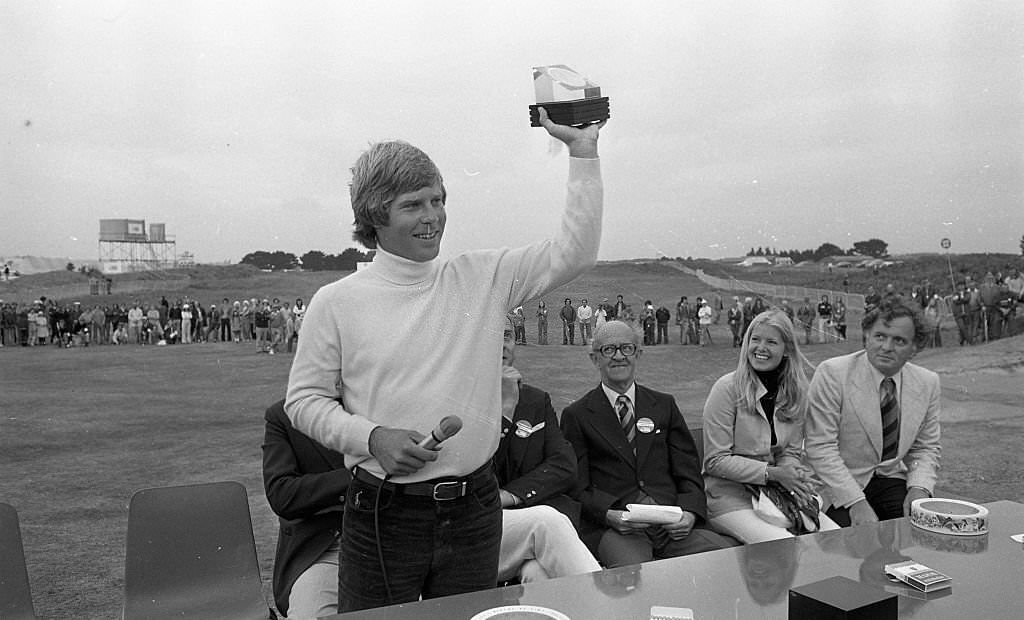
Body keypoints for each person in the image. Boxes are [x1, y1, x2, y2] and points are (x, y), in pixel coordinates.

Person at [284, 110, 605, 612]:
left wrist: (583, 152)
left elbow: (576, 252)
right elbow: (302, 402)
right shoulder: (336, 301)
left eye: (438, 200)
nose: (432, 215)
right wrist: (372, 438)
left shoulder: (483, 276)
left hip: (476, 504)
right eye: (413, 204)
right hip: (381, 511)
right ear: (374, 217)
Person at [560, 321, 731, 568]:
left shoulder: (664, 405)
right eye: (608, 350)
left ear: (638, 353)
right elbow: (576, 487)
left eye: (626, 348)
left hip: (672, 524)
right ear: (595, 358)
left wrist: (690, 513)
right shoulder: (577, 415)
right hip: (620, 528)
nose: (618, 356)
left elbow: (689, 472)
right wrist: (609, 515)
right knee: (634, 581)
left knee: (727, 559)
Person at [702, 310, 839, 543]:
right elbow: (715, 460)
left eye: (771, 342)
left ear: (786, 349)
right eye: (755, 340)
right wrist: (773, 473)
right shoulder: (726, 389)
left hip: (776, 493)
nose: (760, 348)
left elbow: (791, 452)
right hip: (731, 496)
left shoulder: (795, 393)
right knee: (784, 544)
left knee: (835, 538)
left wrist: (792, 475)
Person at [804, 297, 941, 527]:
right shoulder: (832, 373)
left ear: (914, 347)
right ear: (866, 335)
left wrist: (919, 488)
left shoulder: (928, 382)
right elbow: (820, 447)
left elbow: (925, 448)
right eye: (880, 336)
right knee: (854, 545)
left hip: (890, 479)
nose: (886, 347)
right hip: (836, 484)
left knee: (918, 531)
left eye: (899, 340)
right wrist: (855, 502)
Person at [495, 322, 600, 583]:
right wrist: (505, 409)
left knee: (538, 573)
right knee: (547, 522)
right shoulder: (461, 399)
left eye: (507, 336)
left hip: (517, 527)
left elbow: (563, 466)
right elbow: (476, 471)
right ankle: (610, 608)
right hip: (476, 527)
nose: (501, 344)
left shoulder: (535, 400)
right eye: (492, 336)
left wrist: (509, 496)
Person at [262, 399, 349, 619]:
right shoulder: (284, 415)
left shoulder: (390, 401)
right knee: (310, 613)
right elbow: (282, 496)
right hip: (329, 548)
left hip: (399, 542)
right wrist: (358, 475)